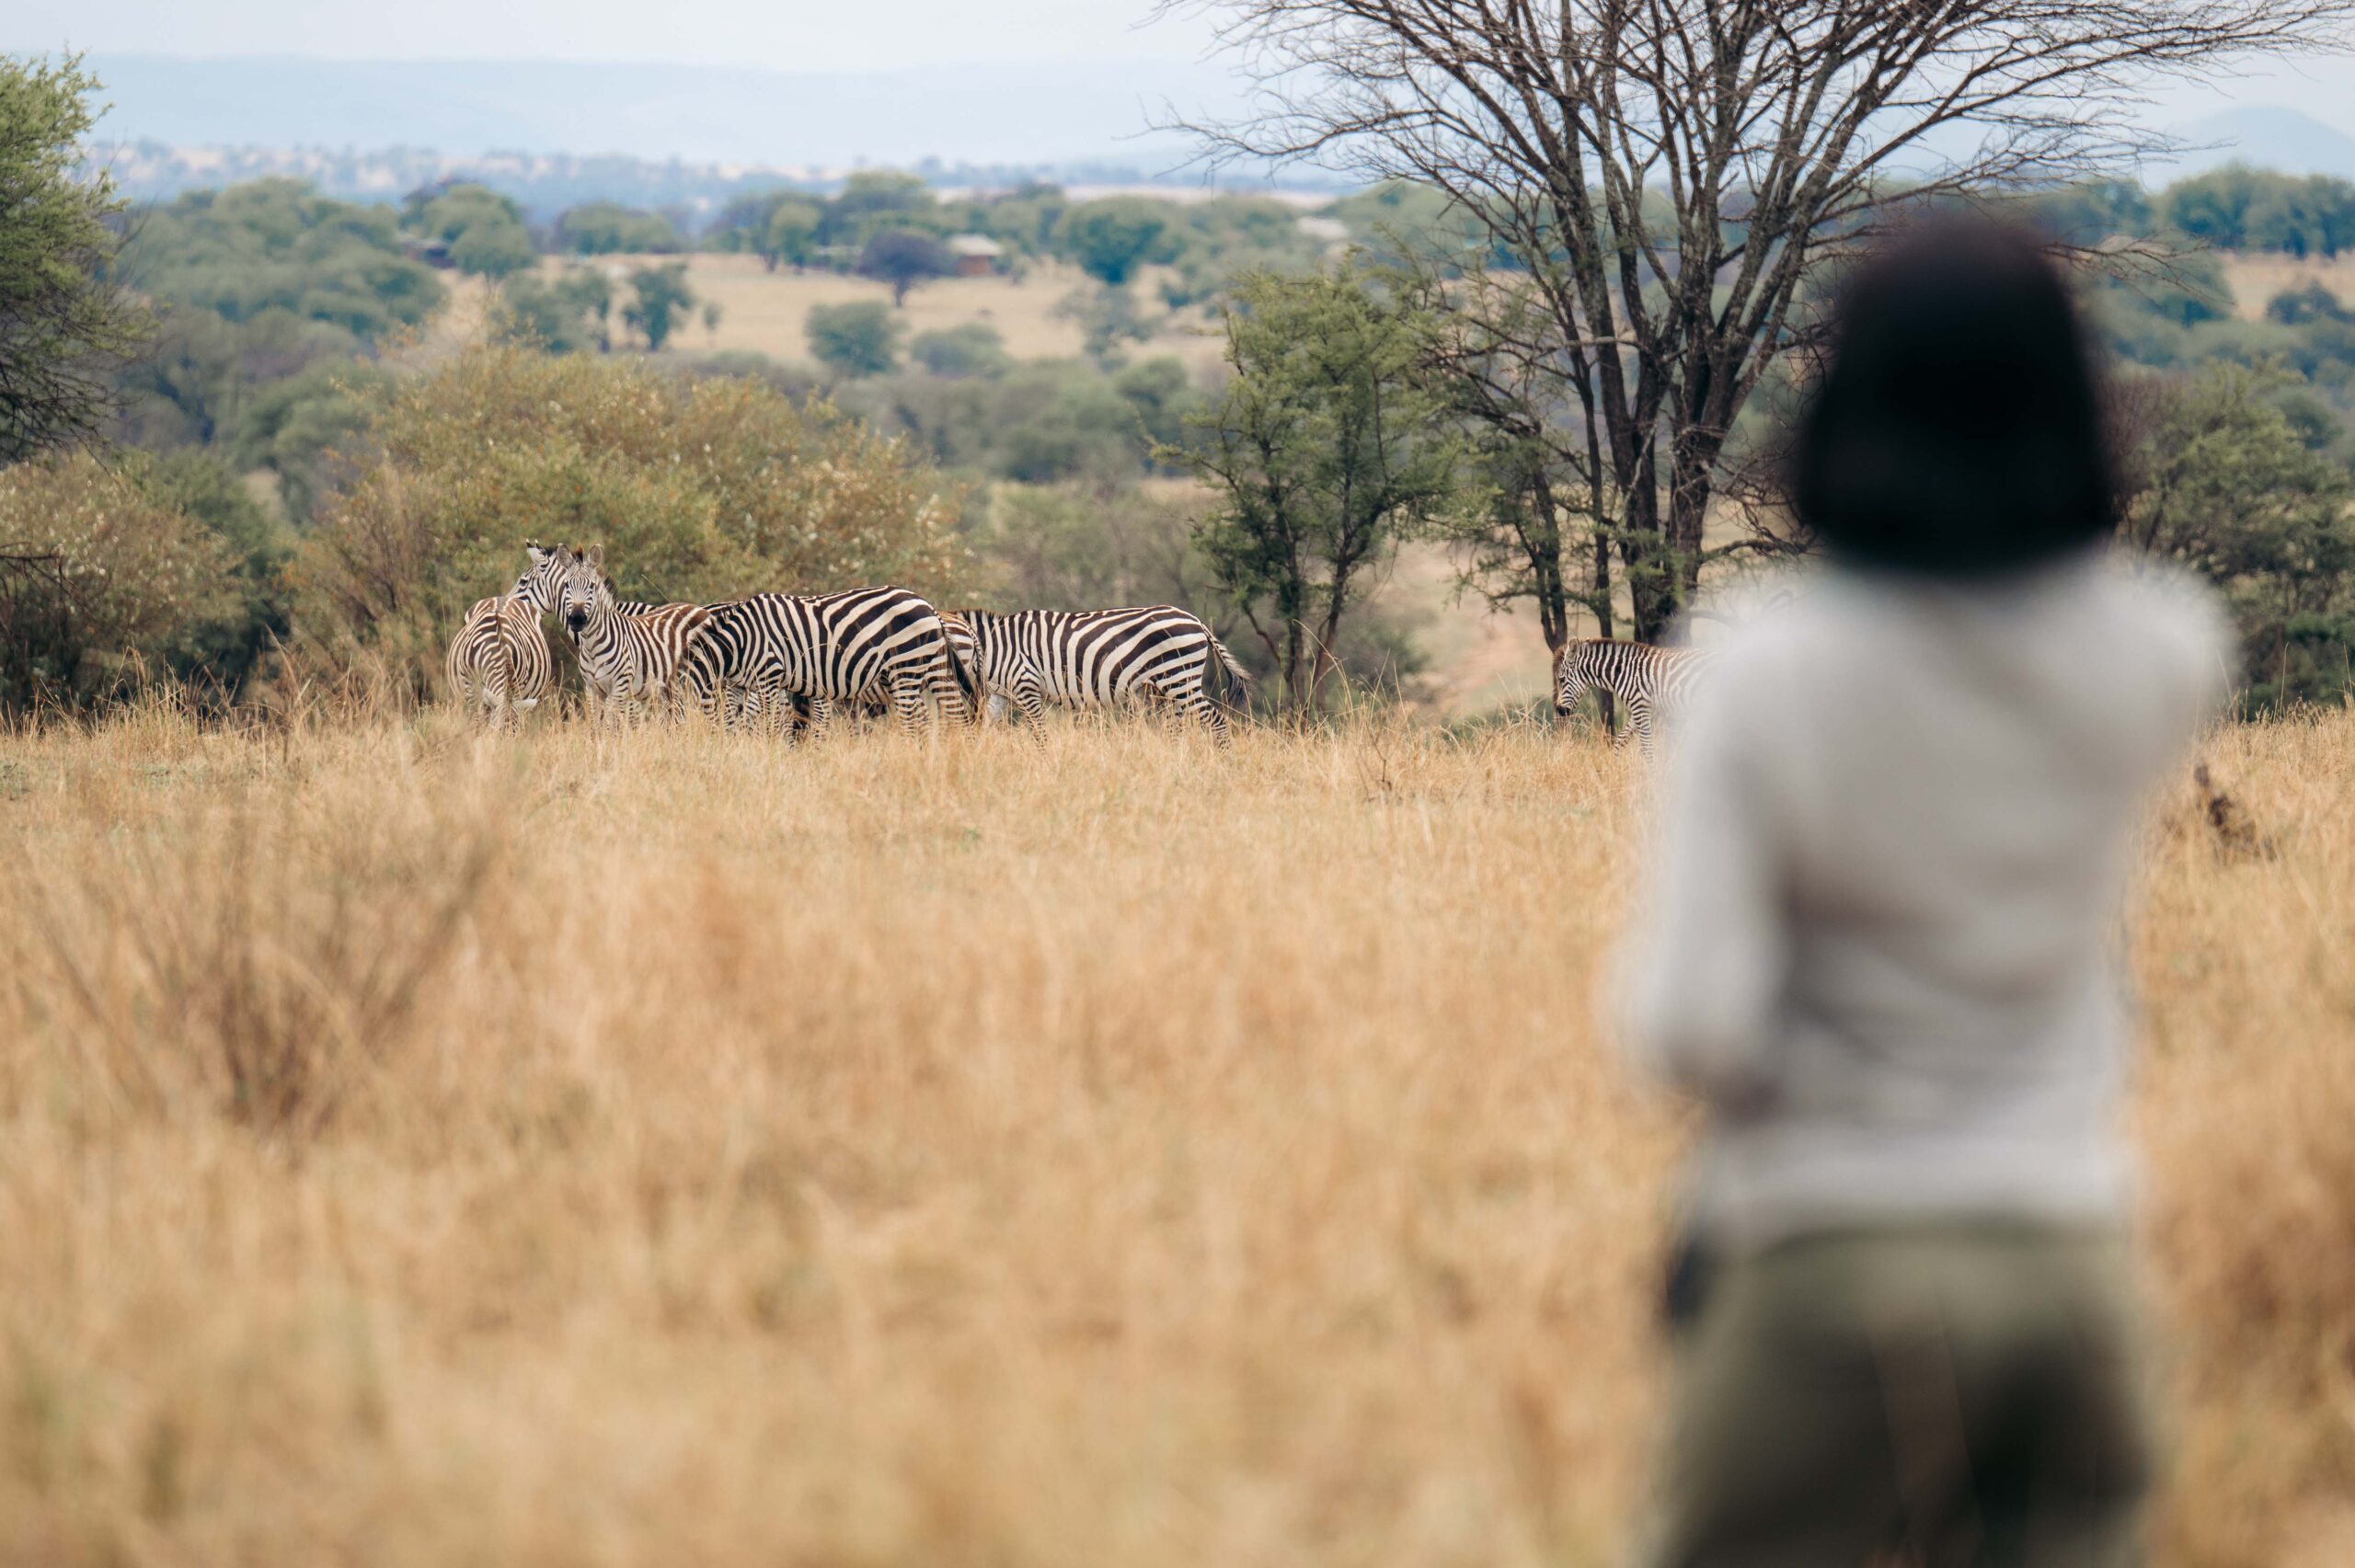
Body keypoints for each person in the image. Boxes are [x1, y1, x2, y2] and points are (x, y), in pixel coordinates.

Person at [1623, 220, 2233, 1567]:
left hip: (1824, 1255)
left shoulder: (1762, 665)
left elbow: (1686, 1025)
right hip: (2073, 1263)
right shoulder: (2163, 646)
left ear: (1845, 405)